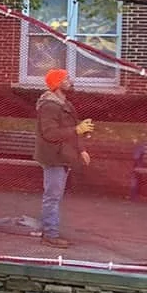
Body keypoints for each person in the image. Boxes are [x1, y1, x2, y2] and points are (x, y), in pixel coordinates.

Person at [34, 67, 95, 250]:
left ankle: (50, 231)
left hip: (63, 155)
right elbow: (50, 133)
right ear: (58, 83)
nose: (70, 81)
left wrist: (82, 149)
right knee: (52, 197)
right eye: (66, 78)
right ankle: (50, 235)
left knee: (54, 196)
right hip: (53, 157)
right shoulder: (49, 106)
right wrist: (77, 130)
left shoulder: (65, 104)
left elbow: (74, 129)